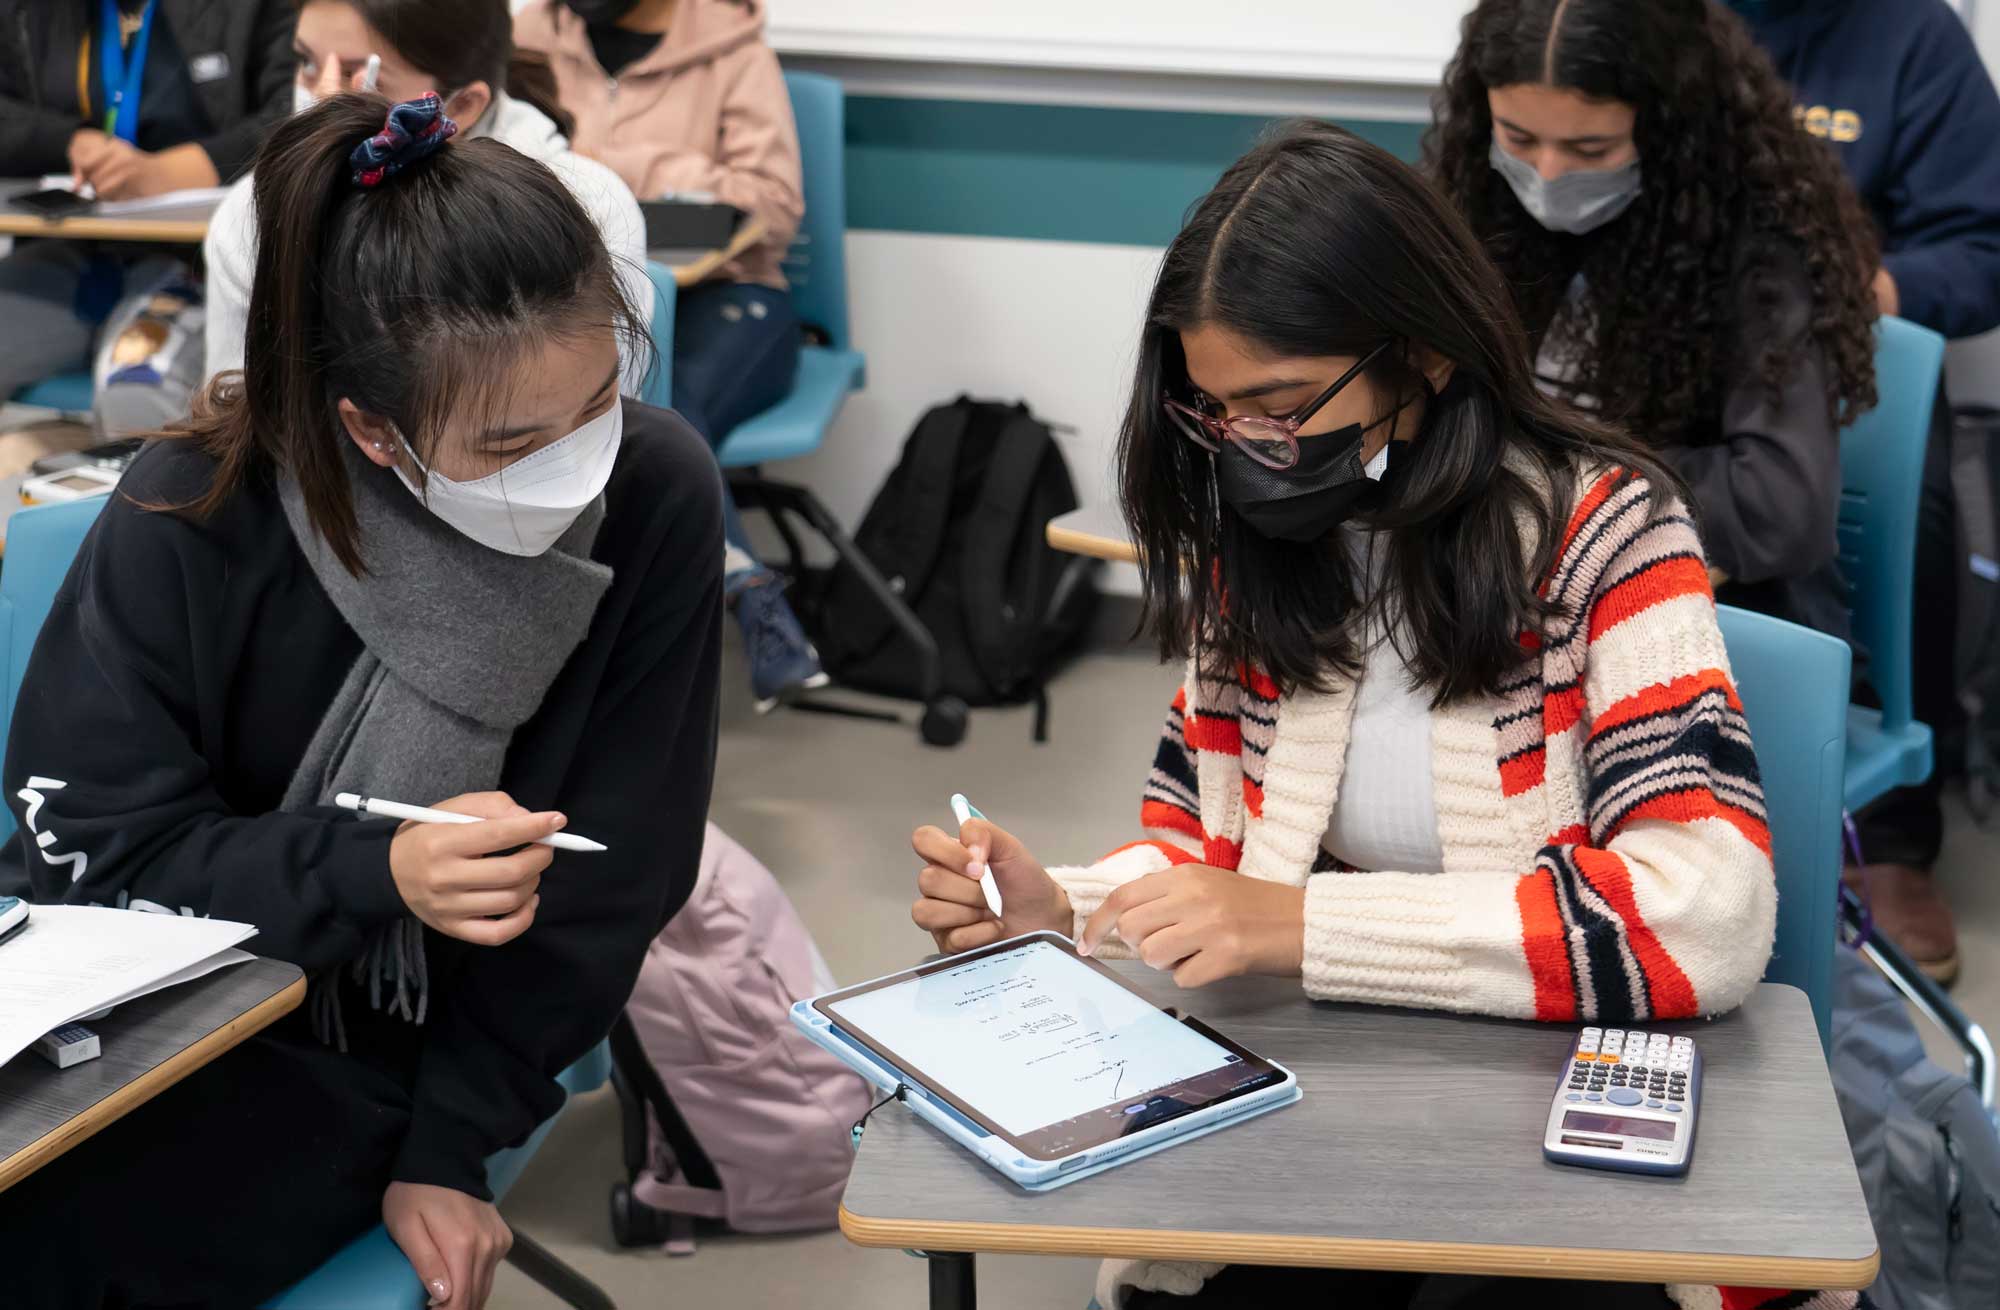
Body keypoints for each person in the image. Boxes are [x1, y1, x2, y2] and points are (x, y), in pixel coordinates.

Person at [908, 121, 1802, 1310]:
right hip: (1340, 1079)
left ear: (1422, 355)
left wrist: (1298, 924)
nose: (1247, 452)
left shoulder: (1608, 536)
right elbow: (1199, 845)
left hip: (1552, 1096)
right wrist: (1064, 907)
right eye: (1214, 415)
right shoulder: (1261, 553)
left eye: (1279, 406)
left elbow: (1707, 914)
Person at [0, 92, 723, 1309]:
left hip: (386, 1054)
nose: (575, 462)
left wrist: (449, 1148)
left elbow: (614, 879)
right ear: (370, 430)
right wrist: (372, 868)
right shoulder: (195, 507)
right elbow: (96, 851)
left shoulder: (654, 493)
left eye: (598, 401)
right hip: (148, 1002)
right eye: (507, 442)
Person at [1424, 0, 1879, 645]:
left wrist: (1537, 467)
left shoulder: (1763, 240)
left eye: (1591, 147)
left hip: (1716, 621)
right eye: (1518, 139)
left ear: (1666, 129)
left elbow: (1781, 510)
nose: (1547, 174)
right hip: (1524, 587)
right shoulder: (1476, 201)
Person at [1725, 0, 2000, 981]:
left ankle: (1887, 836)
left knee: (1905, 512)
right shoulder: (1637, 21)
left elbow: (1978, 250)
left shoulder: (1910, 38)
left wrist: (1848, 297)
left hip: (1839, 364)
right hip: (1670, 345)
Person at [515, 0, 826, 711]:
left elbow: (773, 206)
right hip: (587, 295)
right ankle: (741, 590)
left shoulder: (731, 46)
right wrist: (670, 173)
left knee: (658, 399)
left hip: (733, 298)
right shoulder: (526, 37)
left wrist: (603, 165)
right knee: (604, 389)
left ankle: (735, 597)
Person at [203, 0, 653, 381]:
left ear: (463, 105)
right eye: (307, 62)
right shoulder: (254, 212)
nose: (324, 98)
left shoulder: (584, 207)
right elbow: (239, 416)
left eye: (365, 76)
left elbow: (587, 422)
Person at [0, 0, 293, 399]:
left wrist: (169, 173)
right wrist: (70, 140)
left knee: (138, 385)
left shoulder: (254, 11)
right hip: (69, 250)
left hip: (194, 261)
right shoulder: (30, 13)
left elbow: (297, 113)